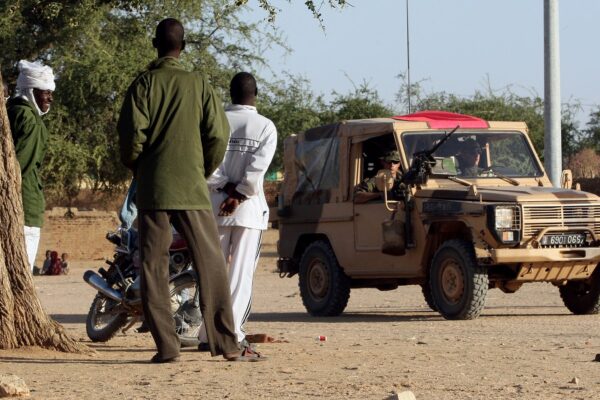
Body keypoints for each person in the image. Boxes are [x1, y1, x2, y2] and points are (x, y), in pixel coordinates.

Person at [117, 18, 263, 363]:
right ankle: (226, 343)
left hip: (155, 190)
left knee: (153, 266)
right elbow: (217, 135)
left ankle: (167, 347)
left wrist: (142, 168)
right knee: (211, 263)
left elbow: (130, 138)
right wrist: (201, 169)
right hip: (194, 189)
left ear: (156, 44)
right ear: (183, 47)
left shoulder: (144, 85)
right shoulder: (199, 84)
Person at [198, 72, 277, 348]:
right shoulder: (266, 126)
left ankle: (207, 334)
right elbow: (258, 168)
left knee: (212, 273)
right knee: (240, 275)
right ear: (255, 93)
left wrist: (225, 188)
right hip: (248, 212)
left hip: (213, 206)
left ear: (230, 93)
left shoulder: (214, 122)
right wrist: (240, 194)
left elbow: (206, 165)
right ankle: (233, 334)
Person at [7, 60, 55, 272]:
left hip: (14, 204)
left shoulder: (12, 110)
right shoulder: (30, 120)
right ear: (31, 91)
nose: (50, 98)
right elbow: (22, 167)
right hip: (25, 204)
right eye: (45, 92)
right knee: (21, 270)